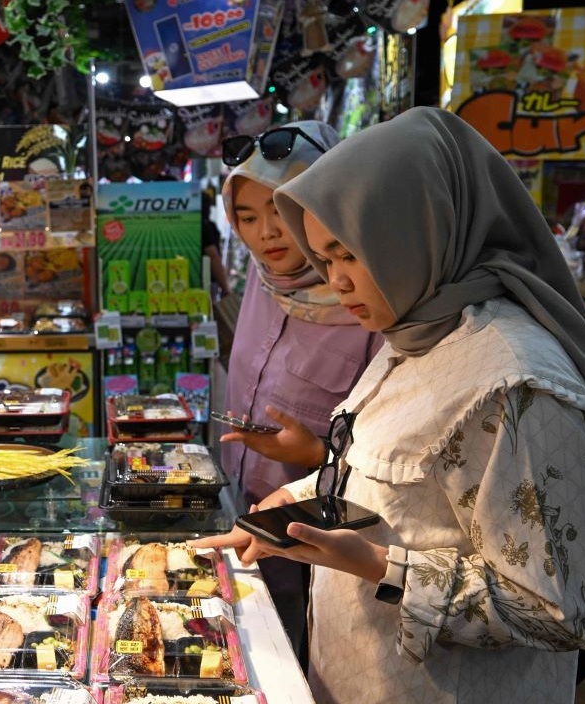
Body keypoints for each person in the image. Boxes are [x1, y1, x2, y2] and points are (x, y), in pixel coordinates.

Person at [194, 107, 585, 703]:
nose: (336, 281)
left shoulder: (514, 382)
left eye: (349, 254)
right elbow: (395, 470)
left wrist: (379, 566)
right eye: (325, 259)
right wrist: (296, 499)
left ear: (420, 231)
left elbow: (565, 608)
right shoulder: (417, 333)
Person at [217, 120, 383, 658]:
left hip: (326, 557)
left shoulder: (375, 300)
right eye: (248, 216)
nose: (268, 232)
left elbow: (388, 458)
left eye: (284, 209)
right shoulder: (263, 282)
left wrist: (312, 454)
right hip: (244, 525)